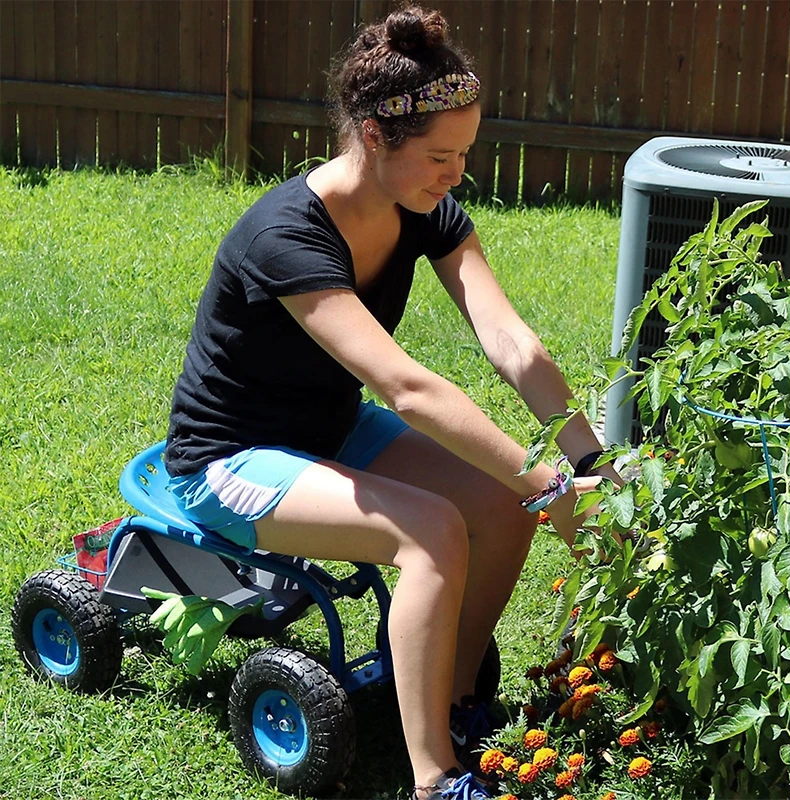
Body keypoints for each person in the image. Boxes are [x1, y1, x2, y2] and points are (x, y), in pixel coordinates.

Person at [164, 6, 617, 799]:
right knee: (434, 530)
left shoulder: (425, 211)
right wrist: (546, 486)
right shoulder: (285, 235)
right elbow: (406, 387)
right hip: (230, 460)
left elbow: (510, 341)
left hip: (329, 432)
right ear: (374, 135)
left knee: (497, 507)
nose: (457, 175)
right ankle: (434, 778)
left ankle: (454, 699)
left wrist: (588, 460)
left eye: (465, 155)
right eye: (441, 156)